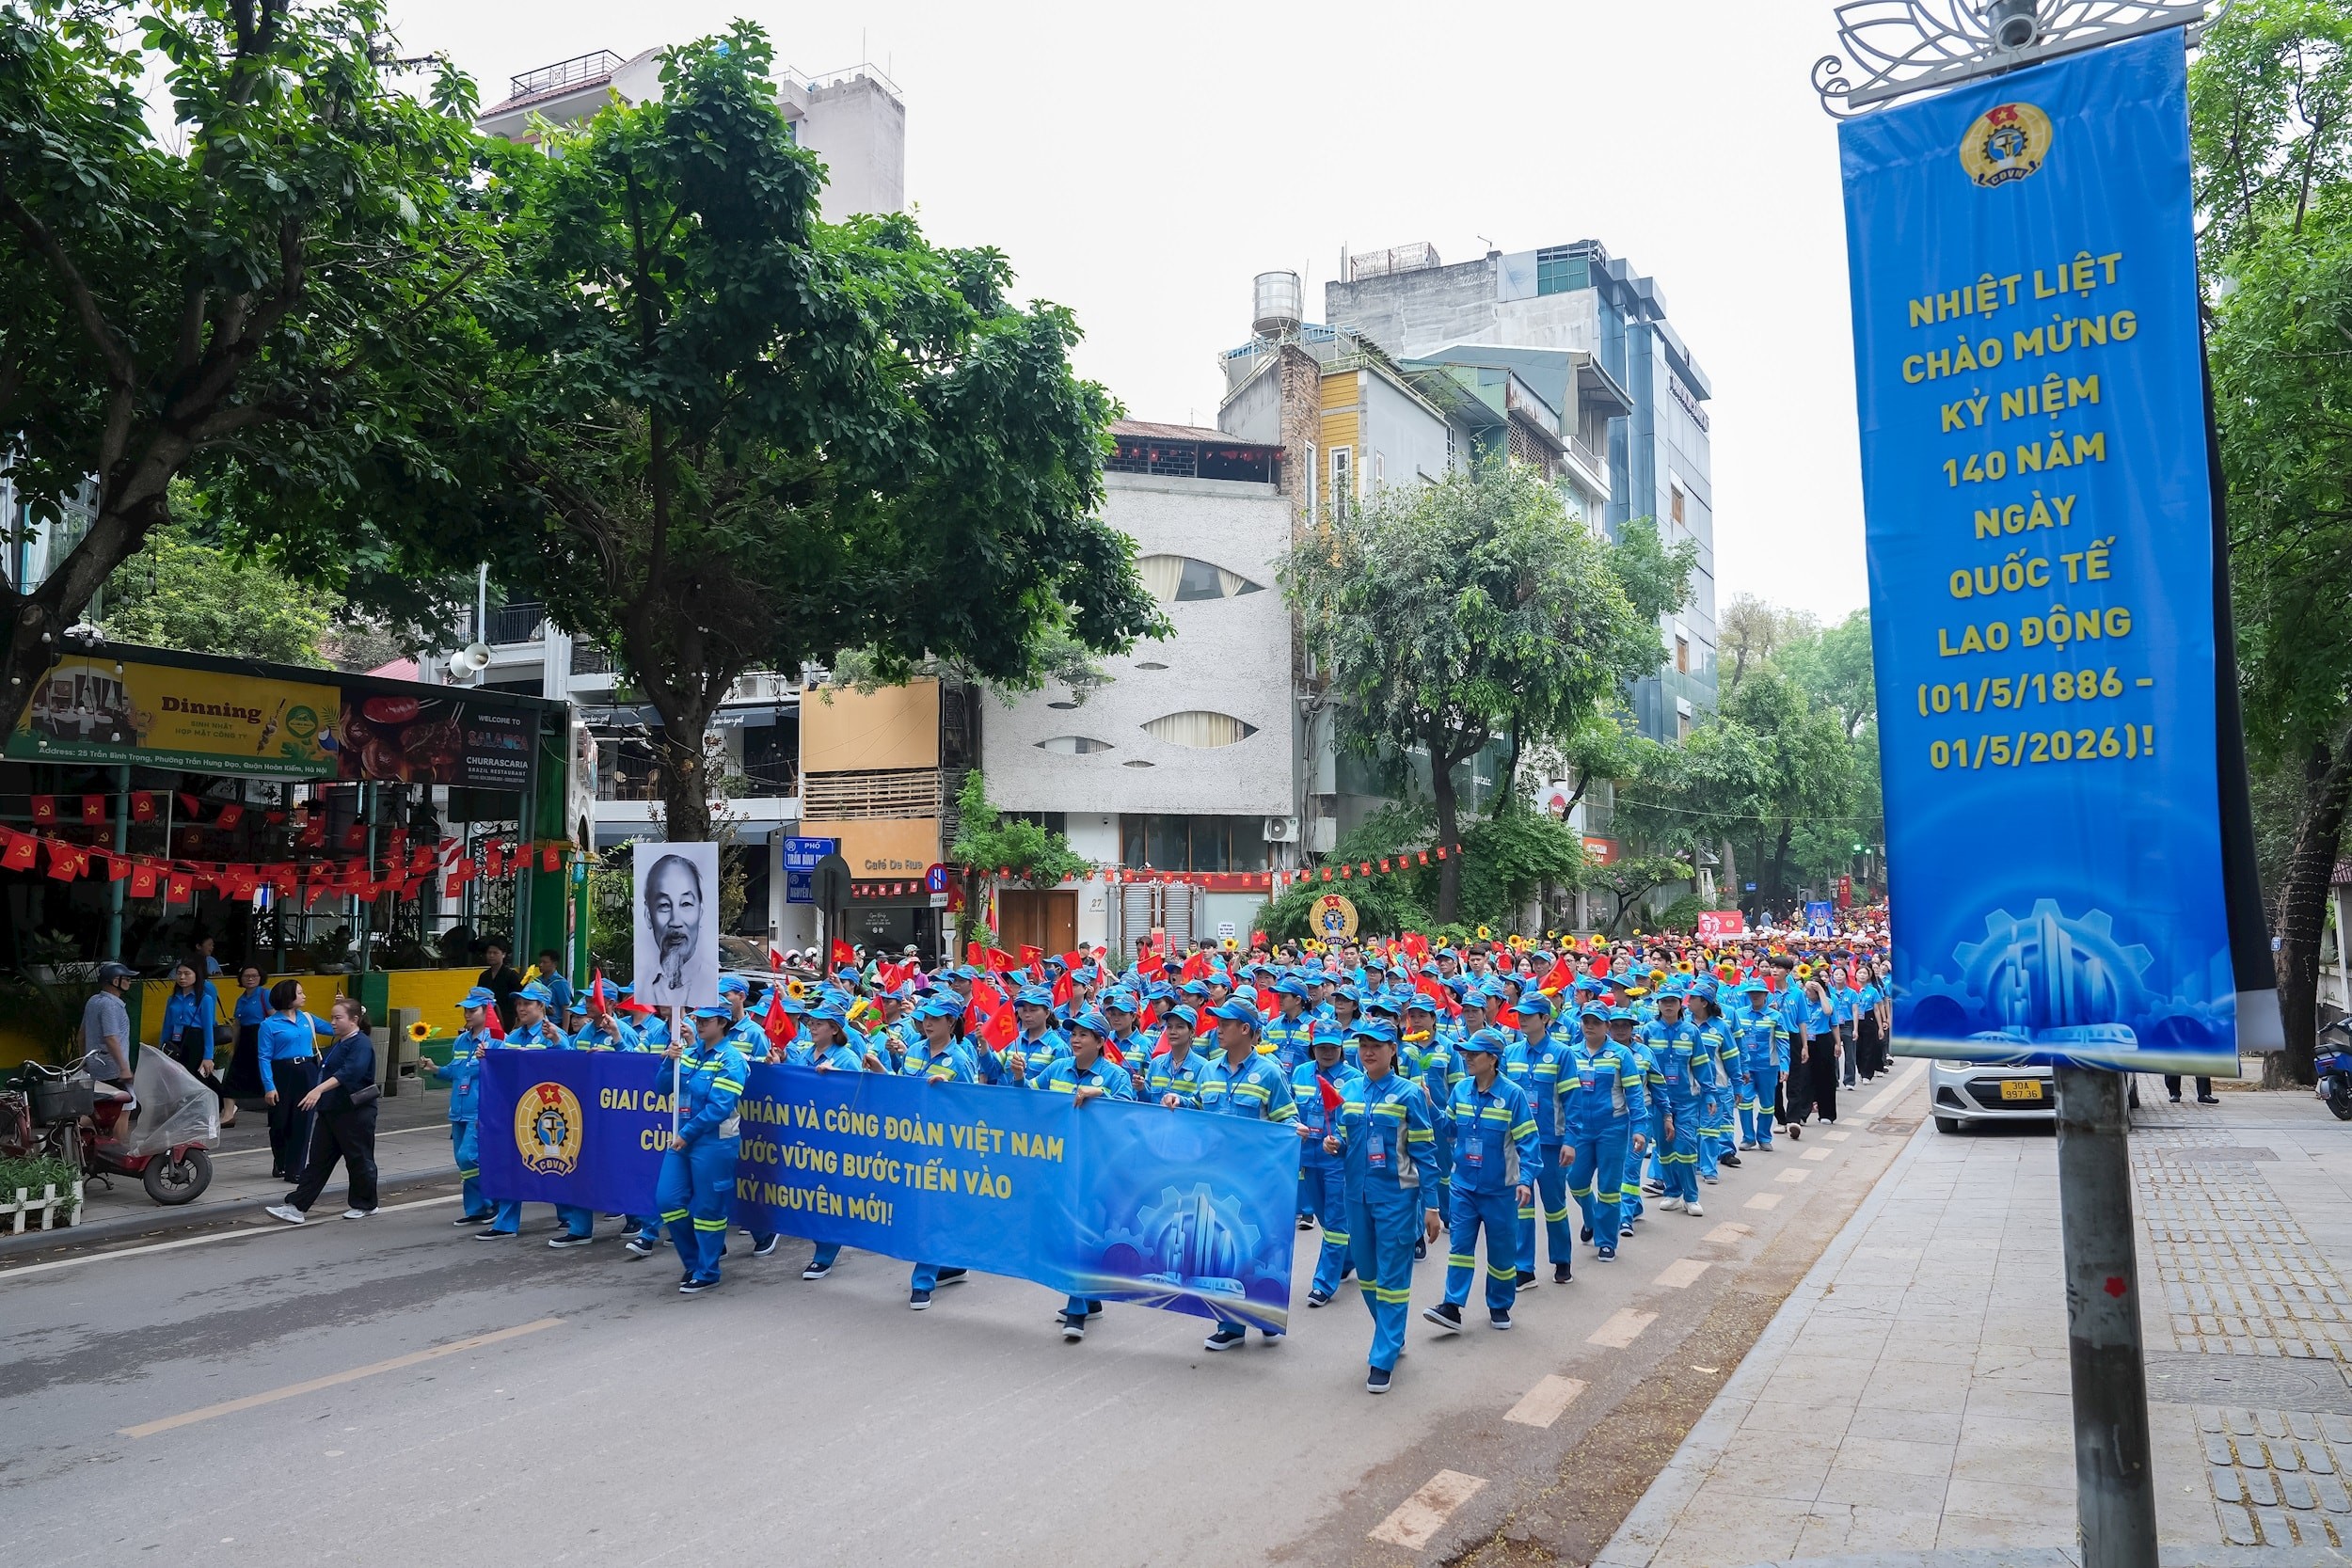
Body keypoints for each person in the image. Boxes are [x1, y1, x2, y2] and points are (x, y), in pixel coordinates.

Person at [1324, 1018, 1441, 1393]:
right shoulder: (1350, 1091)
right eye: (1363, 1045)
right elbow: (1346, 1140)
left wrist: (1432, 1206)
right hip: (1355, 1196)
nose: (1369, 1051)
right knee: (1369, 1277)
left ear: (1393, 1051)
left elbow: (1425, 1152)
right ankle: (1392, 1332)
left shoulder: (1408, 1094)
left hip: (1397, 1198)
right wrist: (1334, 1145)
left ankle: (1382, 1355)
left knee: (1392, 1278)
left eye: (1377, 1045)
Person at [1423, 1027, 1539, 1333]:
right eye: (1466, 1053)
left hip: (1501, 1189)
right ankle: (1452, 1305)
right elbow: (1449, 1129)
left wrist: (1525, 1180)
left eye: (1474, 1054)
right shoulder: (1461, 1090)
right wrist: (1430, 1107)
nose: (1467, 1058)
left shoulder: (1512, 1095)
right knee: (1460, 1248)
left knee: (1501, 1252)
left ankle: (1499, 1304)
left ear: (1493, 1059)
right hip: (1463, 1186)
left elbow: (1529, 1142)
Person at [1033, 1011, 1133, 1339]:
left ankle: (1076, 1310)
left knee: (1082, 1231)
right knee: (1067, 1231)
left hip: (1096, 1166)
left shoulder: (1115, 1076)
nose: (1075, 1039)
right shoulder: (1058, 1068)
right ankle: (1090, 1299)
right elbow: (1028, 1098)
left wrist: (1099, 1096)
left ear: (1101, 1043)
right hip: (1060, 1161)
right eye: (1073, 1033)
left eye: (1084, 1035)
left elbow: (1130, 1110)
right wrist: (1018, 1077)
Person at [476, 982, 596, 1246]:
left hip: (552, 1114)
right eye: (518, 1003)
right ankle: (505, 1223)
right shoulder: (514, 1036)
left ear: (541, 1006)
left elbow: (570, 1066)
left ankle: (567, 1215)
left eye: (527, 1004)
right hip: (519, 1111)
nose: (520, 1008)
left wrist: (555, 1041)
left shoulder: (554, 1035)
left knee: (557, 1165)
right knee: (512, 1163)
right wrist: (487, 1056)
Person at [655, 1006, 748, 1294]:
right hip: (683, 1139)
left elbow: (720, 1107)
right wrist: (668, 1063)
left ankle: (707, 1271)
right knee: (667, 1200)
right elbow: (661, 1089)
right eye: (697, 1020)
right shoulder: (690, 1054)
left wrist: (687, 1133)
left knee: (709, 1209)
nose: (699, 1024)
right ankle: (694, 1261)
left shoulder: (732, 1060)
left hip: (714, 1143)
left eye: (706, 1020)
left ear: (722, 1023)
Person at [264, 997, 379, 1224]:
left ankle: (366, 1204)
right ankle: (296, 1207)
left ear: (354, 1020)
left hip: (354, 1112)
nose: (333, 1023)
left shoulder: (361, 1043)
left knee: (358, 1159)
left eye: (338, 1018)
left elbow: (351, 1072)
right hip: (331, 1111)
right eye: (332, 1018)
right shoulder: (342, 1042)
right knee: (317, 1161)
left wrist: (318, 1090)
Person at [899, 996, 977, 1309]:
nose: (927, 1023)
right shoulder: (914, 1051)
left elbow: (973, 1107)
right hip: (911, 1142)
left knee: (929, 1211)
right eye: (924, 1018)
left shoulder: (959, 1060)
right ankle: (951, 1264)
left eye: (935, 1018)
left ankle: (923, 1281)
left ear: (951, 1023)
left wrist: (949, 1092)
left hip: (943, 1149)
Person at [1293, 1028, 1364, 1307]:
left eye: (1332, 1046)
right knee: (1323, 1216)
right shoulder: (1300, 1073)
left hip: (1337, 1158)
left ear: (1341, 1048)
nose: (1326, 1051)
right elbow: (1290, 1108)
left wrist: (1342, 1140)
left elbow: (1358, 1121)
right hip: (1308, 1157)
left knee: (1335, 1220)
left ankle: (1323, 1283)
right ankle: (1350, 1258)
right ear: (1313, 1047)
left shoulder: (1354, 1079)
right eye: (1321, 1046)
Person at [416, 988, 496, 1225]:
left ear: (487, 1010)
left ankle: (495, 1200)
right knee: (463, 1163)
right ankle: (476, 1209)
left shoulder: (497, 1039)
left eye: (473, 1010)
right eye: (466, 1010)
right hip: (458, 1110)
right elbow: (455, 1071)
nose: (467, 1015)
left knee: (468, 1157)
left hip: (481, 1109)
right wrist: (435, 1068)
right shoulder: (461, 1040)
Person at [257, 980, 335, 1180]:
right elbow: (264, 1057)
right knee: (280, 1122)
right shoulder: (269, 1025)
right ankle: (281, 1161)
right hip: (282, 1072)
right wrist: (269, 1086)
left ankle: (296, 1169)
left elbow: (334, 1029)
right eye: (299, 993)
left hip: (307, 1070)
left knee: (304, 1120)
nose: (304, 996)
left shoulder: (307, 1018)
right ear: (287, 996)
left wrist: (341, 1009)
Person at [160, 959, 233, 1126]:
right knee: (179, 1075)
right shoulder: (173, 999)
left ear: (196, 976)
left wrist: (208, 1055)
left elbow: (208, 1028)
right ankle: (187, 1111)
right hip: (176, 1038)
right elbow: (167, 1025)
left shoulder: (204, 999)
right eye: (179, 974)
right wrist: (162, 1046)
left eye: (187, 974)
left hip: (195, 1038)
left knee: (197, 1075)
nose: (182, 978)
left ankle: (215, 1106)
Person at [638, 854, 707, 1007]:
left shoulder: (710, 983)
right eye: (664, 905)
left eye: (686, 904)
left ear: (700, 912)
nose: (675, 921)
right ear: (648, 915)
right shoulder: (641, 985)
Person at [80, 962, 135, 1087]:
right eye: (127, 979)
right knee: (123, 1105)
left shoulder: (93, 1001)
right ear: (116, 982)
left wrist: (85, 1062)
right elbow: (111, 1038)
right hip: (112, 1070)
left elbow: (81, 1036)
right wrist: (124, 1068)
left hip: (95, 1067)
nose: (130, 982)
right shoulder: (110, 1005)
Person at [221, 965, 270, 1100]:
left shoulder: (265, 994)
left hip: (260, 1037)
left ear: (261, 978)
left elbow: (274, 1018)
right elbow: (237, 1025)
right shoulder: (240, 1000)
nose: (250, 979)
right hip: (244, 1039)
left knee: (261, 1072)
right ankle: (228, 1113)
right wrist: (233, 1047)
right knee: (234, 1075)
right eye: (246, 976)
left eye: (254, 976)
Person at [475, 941, 522, 1033]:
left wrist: (519, 1019)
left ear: (503, 954)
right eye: (489, 953)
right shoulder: (484, 976)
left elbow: (519, 998)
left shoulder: (511, 975)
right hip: (488, 1018)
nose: (491, 955)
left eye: (495, 953)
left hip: (508, 1018)